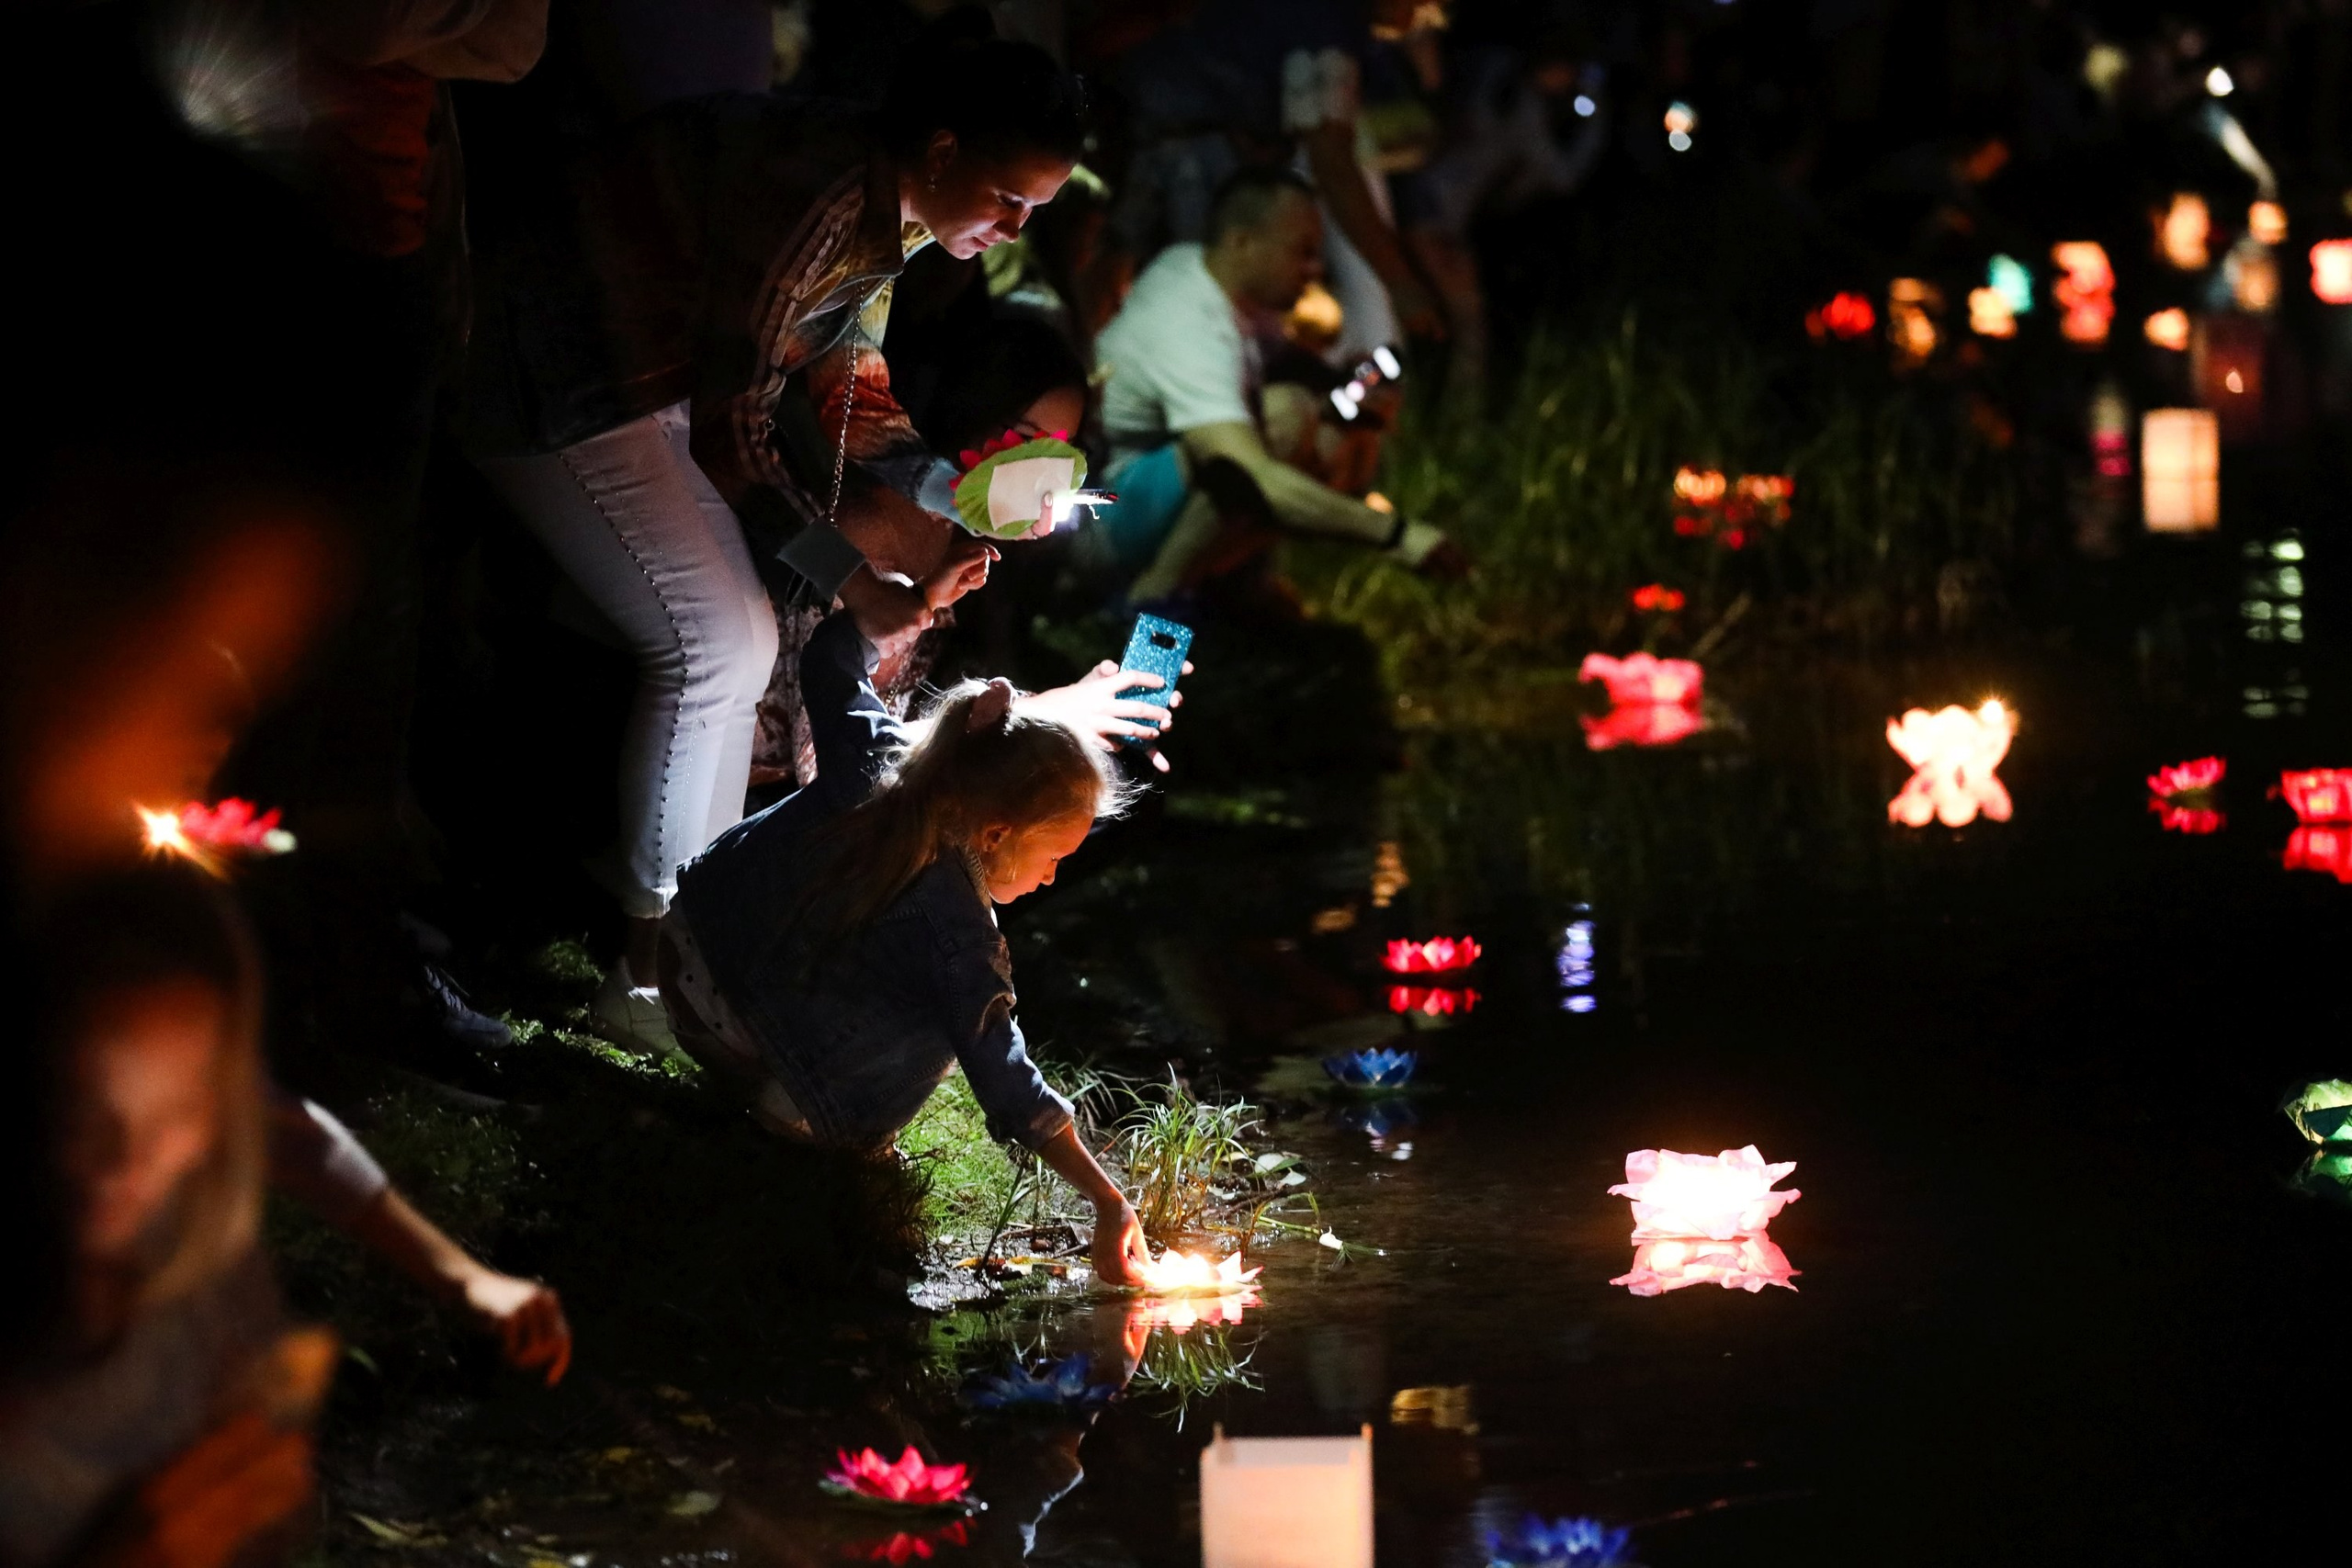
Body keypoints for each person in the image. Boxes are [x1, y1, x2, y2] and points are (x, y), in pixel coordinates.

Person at [462, 32, 1090, 1051]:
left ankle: (699, 963)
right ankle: (655, 976)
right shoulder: (820, 203)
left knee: (732, 642)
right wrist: (853, 581)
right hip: (558, 373)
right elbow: (735, 427)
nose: (1017, 229)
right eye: (1010, 199)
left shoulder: (888, 217)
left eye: (1037, 210)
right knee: (714, 642)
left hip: (638, 384)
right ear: (942, 152)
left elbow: (849, 383)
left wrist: (956, 491)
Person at [2, 863, 569, 1568]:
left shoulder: (184, 1287)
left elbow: (293, 1135)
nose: (131, 1164)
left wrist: (460, 1276)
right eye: (89, 1116)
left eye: (180, 1111)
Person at [657, 605, 1170, 1287]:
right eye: (1054, 858)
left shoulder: (884, 758)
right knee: (954, 1018)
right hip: (743, 1034)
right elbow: (1007, 1079)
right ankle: (806, 1114)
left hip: (685, 949)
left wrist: (901, 605)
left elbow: (828, 659)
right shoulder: (960, 933)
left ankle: (769, 1057)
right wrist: (1108, 1200)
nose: (1052, 877)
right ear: (997, 834)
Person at [1091, 167, 1466, 605]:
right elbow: (1252, 475)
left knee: (1334, 436)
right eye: (1302, 252)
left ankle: (1223, 591)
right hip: (1101, 519)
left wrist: (1341, 389)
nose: (1315, 269)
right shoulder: (1188, 322)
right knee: (1283, 420)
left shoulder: (1215, 276)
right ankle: (1151, 602)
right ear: (1242, 243)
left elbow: (1280, 358)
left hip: (1143, 497)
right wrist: (1396, 535)